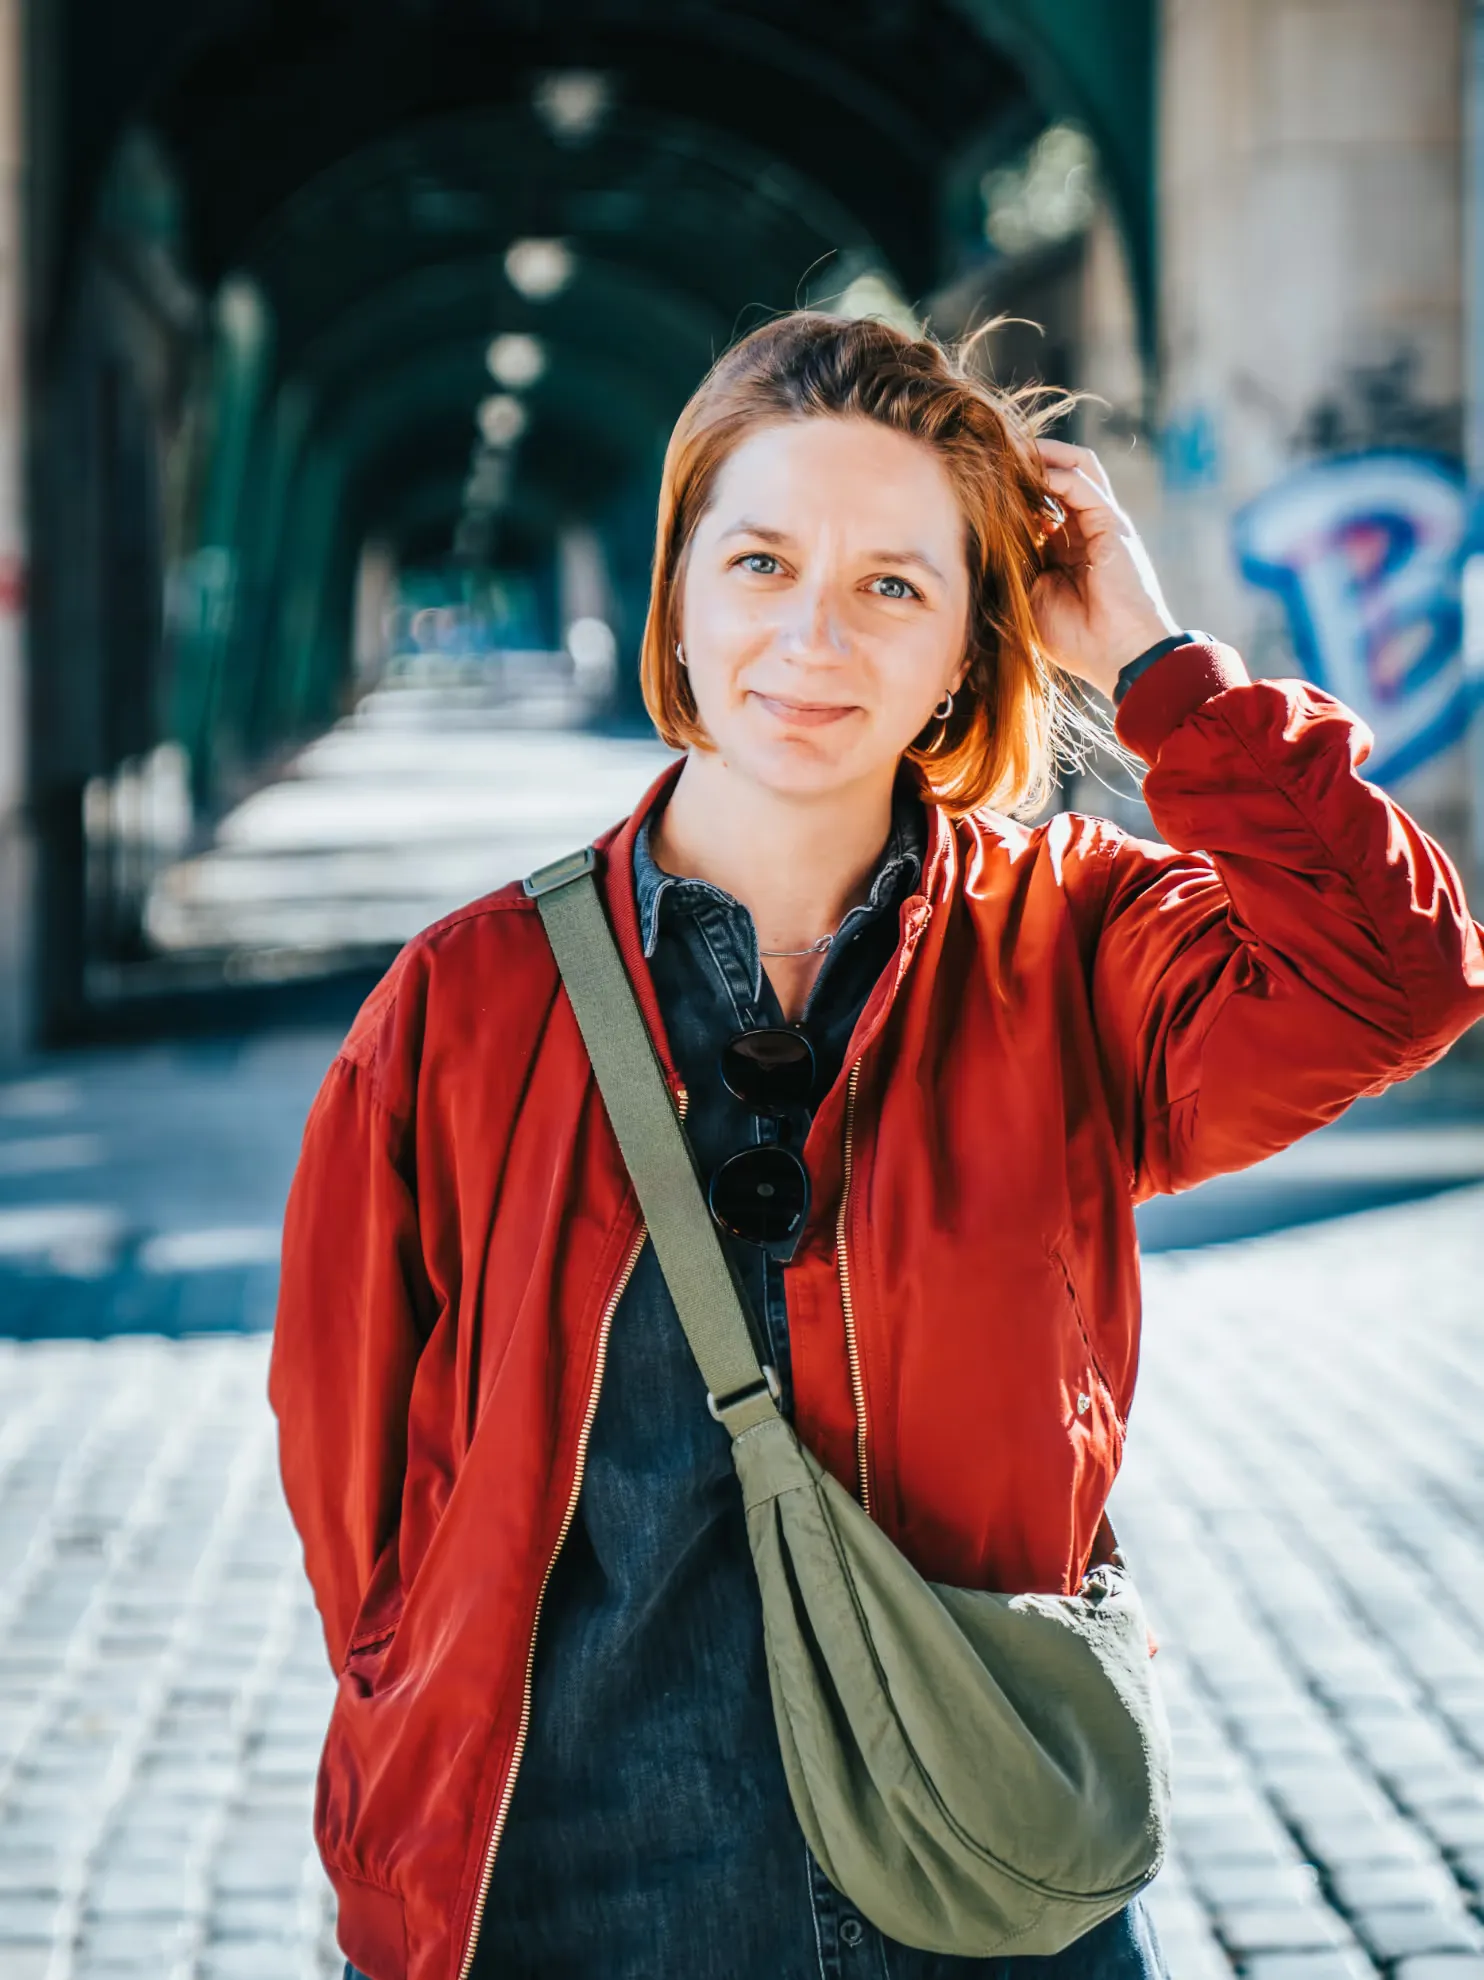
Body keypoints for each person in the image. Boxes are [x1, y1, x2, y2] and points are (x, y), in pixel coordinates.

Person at [269, 312, 1484, 1980]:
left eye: (893, 587)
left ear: (971, 647)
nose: (812, 639)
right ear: (681, 595)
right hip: (564, 1891)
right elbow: (353, 1472)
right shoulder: (463, 1008)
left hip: (978, 1879)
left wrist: (1150, 659)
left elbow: (1394, 976)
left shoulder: (1075, 949)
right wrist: (421, 1735)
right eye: (760, 562)